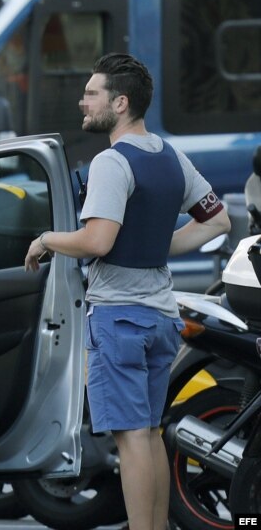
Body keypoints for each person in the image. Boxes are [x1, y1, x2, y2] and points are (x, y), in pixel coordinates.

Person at [23, 53, 230, 530]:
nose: (83, 100)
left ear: (119, 102)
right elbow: (216, 219)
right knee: (150, 434)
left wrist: (46, 239)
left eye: (92, 93)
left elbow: (96, 241)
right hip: (160, 316)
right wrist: (158, 248)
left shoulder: (112, 163)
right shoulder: (170, 156)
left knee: (132, 438)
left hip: (119, 318)